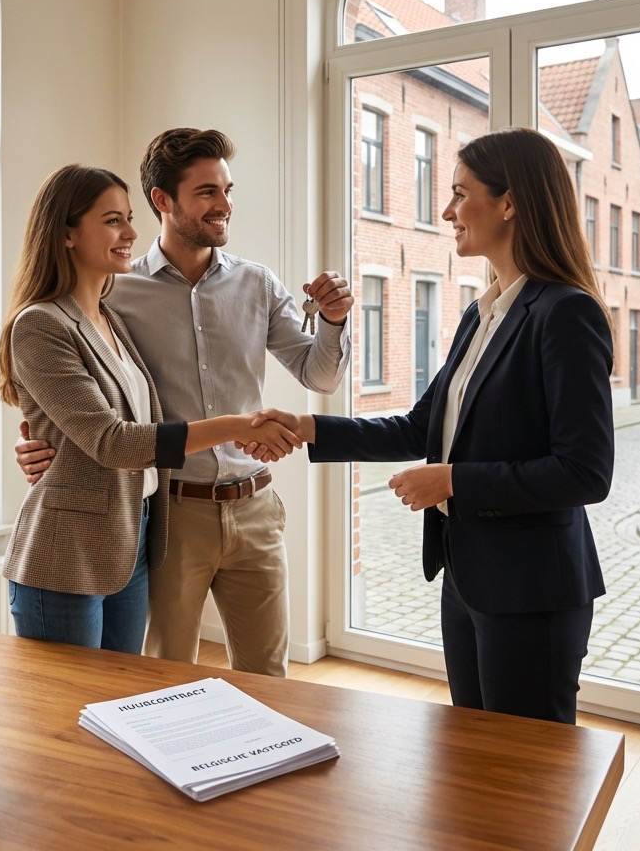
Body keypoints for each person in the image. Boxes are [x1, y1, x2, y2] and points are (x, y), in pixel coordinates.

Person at [254, 126, 614, 724]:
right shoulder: (482, 313)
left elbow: (584, 473)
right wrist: (308, 426)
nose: (446, 212)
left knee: (526, 766)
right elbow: (421, 426)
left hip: (531, 590)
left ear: (509, 203)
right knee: (473, 754)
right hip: (468, 577)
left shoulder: (565, 312)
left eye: (459, 194)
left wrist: (452, 482)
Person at [15, 130, 353, 676]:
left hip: (254, 504)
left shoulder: (257, 284)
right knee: (165, 677)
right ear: (163, 200)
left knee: (269, 677)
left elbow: (321, 376)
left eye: (227, 189)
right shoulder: (115, 290)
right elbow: (78, 395)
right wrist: (40, 442)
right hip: (171, 513)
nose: (224, 205)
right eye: (206, 192)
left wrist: (333, 321)